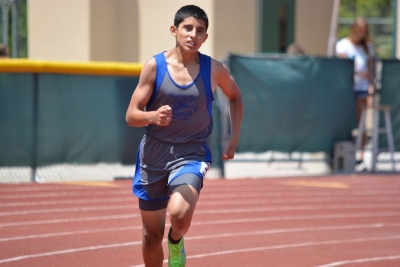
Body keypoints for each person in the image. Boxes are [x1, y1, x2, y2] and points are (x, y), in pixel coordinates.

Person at [125, 5, 243, 267]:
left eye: (200, 31)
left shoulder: (214, 70)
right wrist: (152, 117)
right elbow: (131, 115)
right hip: (154, 154)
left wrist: (234, 137)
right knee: (151, 236)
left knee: (179, 214)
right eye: (188, 28)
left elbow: (235, 98)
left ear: (205, 37)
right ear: (174, 30)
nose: (193, 35)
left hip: (191, 152)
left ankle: (176, 240)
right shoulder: (154, 67)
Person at [335, 17, 375, 165]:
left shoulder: (367, 47)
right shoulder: (343, 45)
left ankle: (361, 155)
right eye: (359, 31)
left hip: (362, 89)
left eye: (364, 32)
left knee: (362, 123)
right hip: (346, 90)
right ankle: (342, 154)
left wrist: (371, 89)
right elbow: (344, 67)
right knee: (345, 122)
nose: (361, 35)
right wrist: (358, 73)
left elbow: (371, 71)